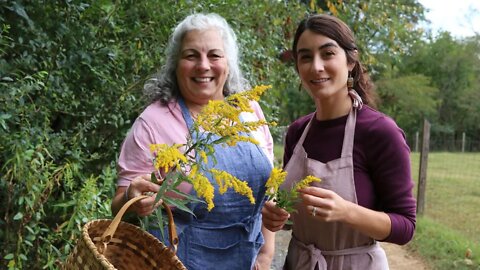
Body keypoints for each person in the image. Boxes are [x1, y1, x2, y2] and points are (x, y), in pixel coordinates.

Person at [111, 13, 275, 270]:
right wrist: (133, 199)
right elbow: (120, 202)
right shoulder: (153, 122)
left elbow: (269, 191)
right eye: (191, 55)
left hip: (248, 261)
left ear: (228, 63)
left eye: (214, 55)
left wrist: (266, 254)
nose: (203, 65)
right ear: (175, 65)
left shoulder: (249, 110)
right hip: (179, 262)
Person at [261, 14, 416, 269]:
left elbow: (406, 227)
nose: (316, 66)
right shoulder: (297, 132)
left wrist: (346, 211)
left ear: (351, 61)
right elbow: (292, 218)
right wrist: (277, 216)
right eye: (306, 57)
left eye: (328, 53)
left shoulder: (380, 132)